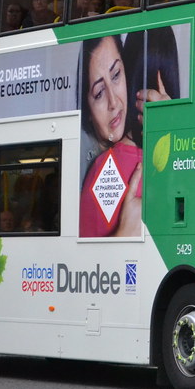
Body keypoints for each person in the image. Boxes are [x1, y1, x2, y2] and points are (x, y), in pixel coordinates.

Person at [79, 36, 142, 238]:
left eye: (116, 75)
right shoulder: (97, 165)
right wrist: (123, 233)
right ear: (87, 110)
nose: (113, 102)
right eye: (98, 93)